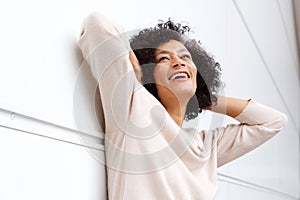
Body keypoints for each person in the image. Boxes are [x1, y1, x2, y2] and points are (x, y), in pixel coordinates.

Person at [78, 12, 288, 200]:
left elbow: (273, 122)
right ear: (150, 72)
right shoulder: (132, 104)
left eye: (185, 57)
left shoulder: (206, 146)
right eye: (164, 58)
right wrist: (133, 69)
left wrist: (204, 97)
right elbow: (97, 24)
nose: (179, 63)